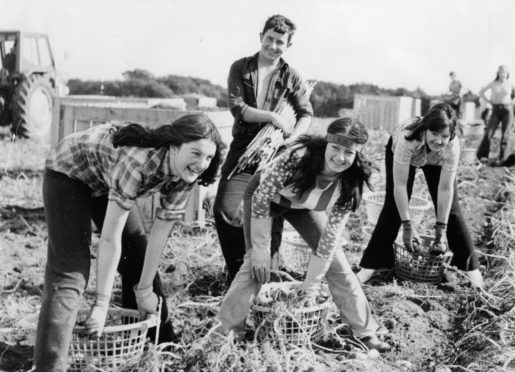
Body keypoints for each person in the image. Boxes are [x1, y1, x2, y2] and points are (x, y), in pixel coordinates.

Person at [33, 113, 226, 371]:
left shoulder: (187, 174)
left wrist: (145, 290)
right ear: (174, 146)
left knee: (137, 251)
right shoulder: (138, 163)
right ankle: (49, 365)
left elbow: (159, 236)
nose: (202, 163)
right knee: (72, 269)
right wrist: (101, 305)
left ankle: (160, 350)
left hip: (105, 179)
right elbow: (110, 238)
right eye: (196, 153)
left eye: (208, 158)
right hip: (69, 172)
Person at [214, 117, 391, 352]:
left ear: (357, 154)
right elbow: (261, 197)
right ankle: (224, 333)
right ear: (327, 143)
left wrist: (311, 286)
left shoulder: (352, 180)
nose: (340, 157)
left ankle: (364, 332)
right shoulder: (298, 158)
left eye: (349, 152)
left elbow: (329, 239)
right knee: (256, 267)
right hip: (263, 199)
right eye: (336, 148)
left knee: (338, 263)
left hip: (302, 206)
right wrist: (259, 249)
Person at [214, 14, 313, 282]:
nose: (273, 45)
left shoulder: (291, 76)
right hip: (245, 147)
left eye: (280, 42)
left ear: (288, 45)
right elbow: (238, 108)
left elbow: (305, 113)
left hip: (277, 150)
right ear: (261, 37)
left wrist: (293, 139)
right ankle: (238, 273)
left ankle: (265, 275)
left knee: (271, 209)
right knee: (226, 209)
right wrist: (272, 117)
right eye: (269, 39)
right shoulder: (241, 68)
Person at [356, 103, 483, 288]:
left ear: (451, 135)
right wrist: (408, 226)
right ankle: (370, 266)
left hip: (437, 160)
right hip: (404, 151)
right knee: (393, 207)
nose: (439, 140)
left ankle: (472, 270)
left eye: (444, 136)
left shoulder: (452, 146)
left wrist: (441, 230)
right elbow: (399, 186)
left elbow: (445, 190)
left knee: (453, 211)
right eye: (434, 134)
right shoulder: (408, 139)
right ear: (426, 129)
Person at [476, 65, 515, 161]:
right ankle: (483, 156)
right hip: (496, 110)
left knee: (505, 135)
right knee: (489, 133)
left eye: (504, 72)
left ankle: (503, 158)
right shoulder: (493, 83)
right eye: (501, 72)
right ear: (498, 73)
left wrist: (513, 101)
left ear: (507, 74)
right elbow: (481, 92)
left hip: (507, 110)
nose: (502, 74)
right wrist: (488, 101)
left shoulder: (510, 83)